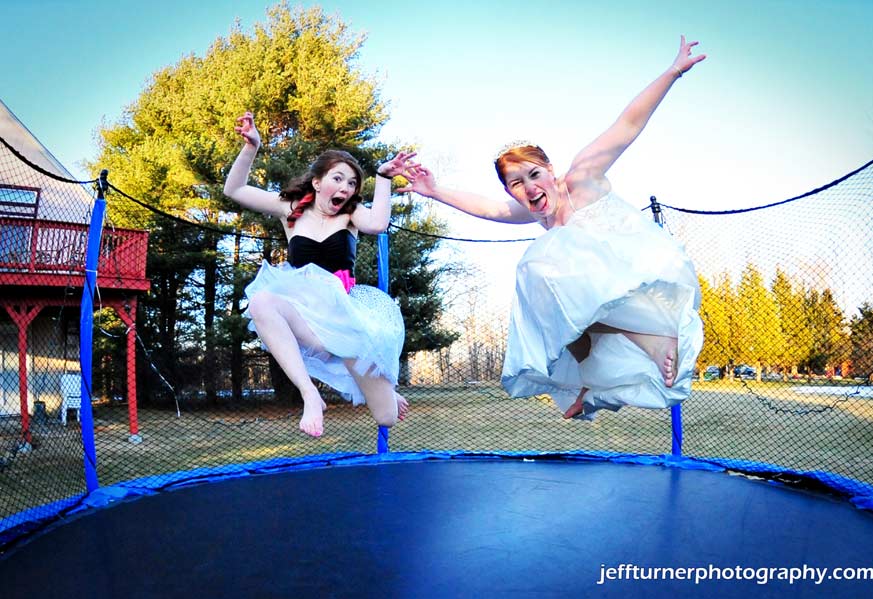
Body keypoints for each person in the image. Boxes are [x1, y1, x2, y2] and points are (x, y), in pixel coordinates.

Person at [400, 37, 706, 419]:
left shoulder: (581, 180)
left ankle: (654, 341)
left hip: (634, 270)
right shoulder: (536, 212)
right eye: (516, 184)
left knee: (538, 266)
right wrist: (433, 191)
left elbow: (627, 125)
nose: (529, 188)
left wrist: (672, 73)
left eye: (534, 175)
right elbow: (490, 209)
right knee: (569, 332)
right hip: (596, 295)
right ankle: (596, 388)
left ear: (551, 170)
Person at [224, 111, 412, 437]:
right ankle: (310, 395)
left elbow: (379, 223)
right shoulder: (291, 210)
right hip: (307, 316)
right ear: (317, 182)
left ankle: (381, 388)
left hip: (345, 318)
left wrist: (383, 177)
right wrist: (251, 147)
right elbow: (235, 189)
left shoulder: (352, 214)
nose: (345, 187)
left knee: (386, 417)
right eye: (338, 178)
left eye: (352, 183)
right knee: (262, 303)